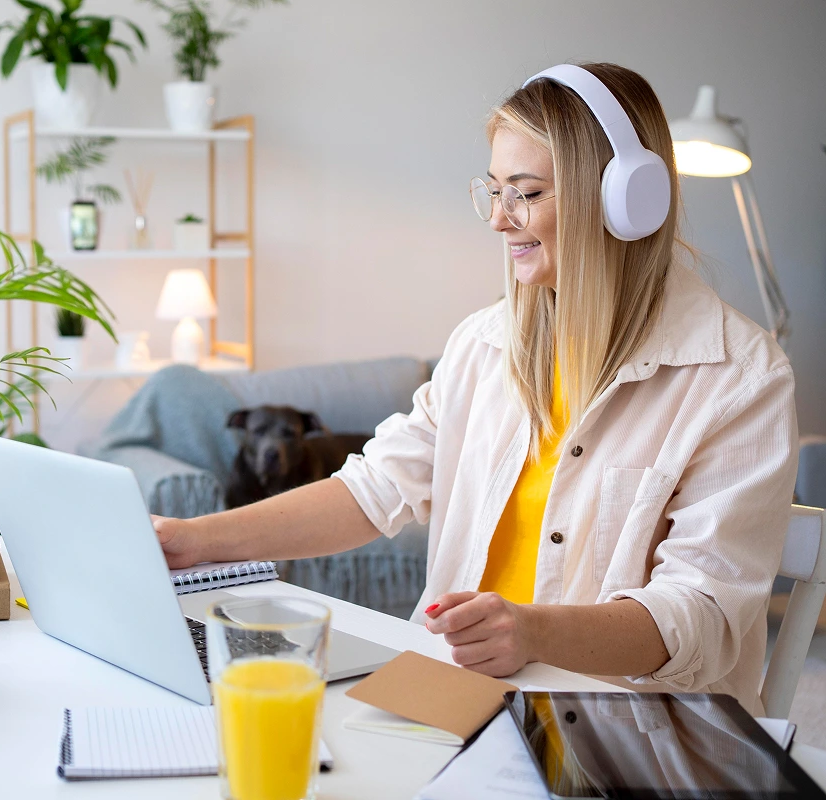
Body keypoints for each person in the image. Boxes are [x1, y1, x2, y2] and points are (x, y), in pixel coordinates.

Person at [153, 62, 798, 715]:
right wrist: (191, 541)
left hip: (623, 727)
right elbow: (374, 489)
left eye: (525, 192)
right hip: (454, 695)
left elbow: (704, 623)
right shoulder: (484, 344)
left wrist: (534, 633)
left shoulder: (738, 376)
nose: (498, 219)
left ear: (624, 200)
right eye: (492, 190)